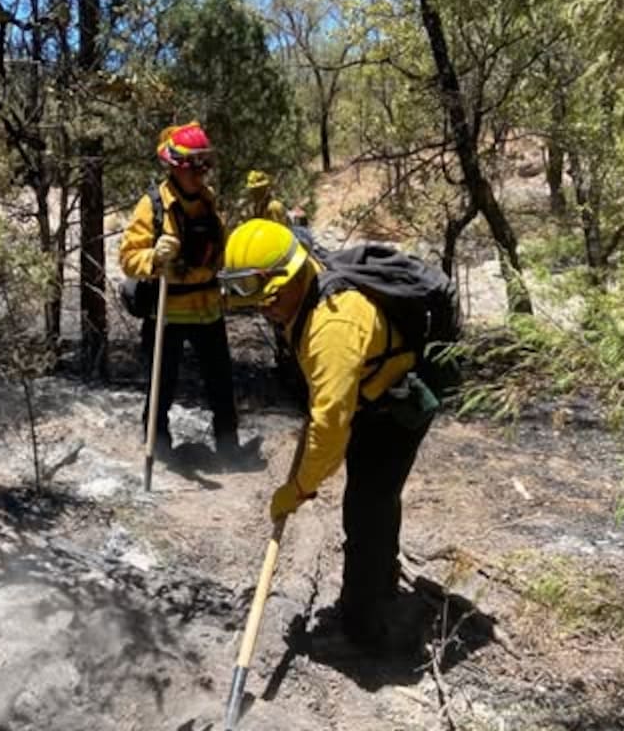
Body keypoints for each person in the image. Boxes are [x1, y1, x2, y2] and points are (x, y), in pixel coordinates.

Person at [219, 218, 439, 653]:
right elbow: (329, 400)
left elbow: (330, 429)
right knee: (373, 502)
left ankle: (365, 632)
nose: (263, 310)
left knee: (366, 511)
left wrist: (298, 487)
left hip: (394, 411)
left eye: (269, 299)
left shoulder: (332, 328)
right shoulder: (304, 287)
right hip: (368, 400)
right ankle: (381, 586)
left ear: (293, 275)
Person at [119, 121, 239, 457]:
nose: (201, 175)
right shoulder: (152, 206)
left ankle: (230, 450)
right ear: (176, 167)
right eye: (194, 168)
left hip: (208, 309)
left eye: (205, 166)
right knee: (161, 388)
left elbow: (220, 248)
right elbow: (128, 258)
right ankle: (157, 449)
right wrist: (154, 259)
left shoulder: (208, 202)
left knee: (221, 386)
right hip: (166, 313)